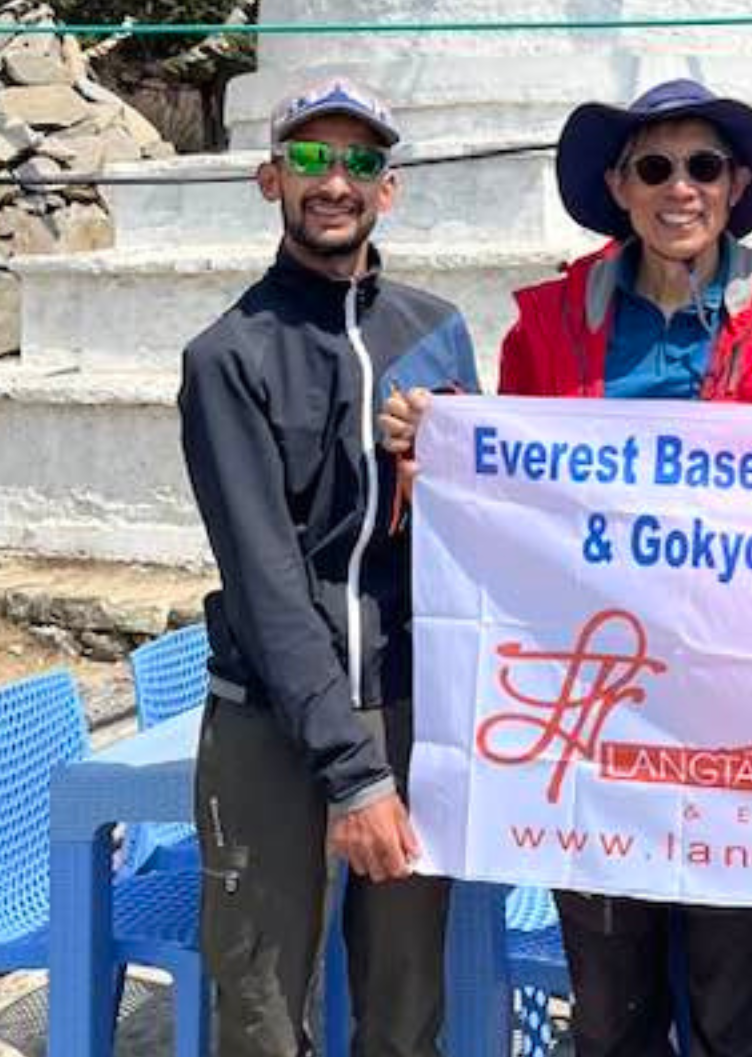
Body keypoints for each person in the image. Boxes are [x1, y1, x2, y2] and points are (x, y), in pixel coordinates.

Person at [381, 78, 752, 1057]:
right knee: (610, 1005)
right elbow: (512, 500)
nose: (679, 188)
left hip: (742, 715)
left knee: (739, 1003)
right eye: (655, 167)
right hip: (596, 718)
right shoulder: (549, 325)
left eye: (702, 166)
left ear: (734, 187)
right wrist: (442, 451)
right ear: (621, 186)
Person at [177, 77, 478, 1057]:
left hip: (404, 707)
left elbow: (479, 536)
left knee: (402, 1009)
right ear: (271, 180)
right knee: (262, 1015)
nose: (334, 180)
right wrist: (352, 777)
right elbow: (266, 585)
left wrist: (437, 469)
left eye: (359, 161)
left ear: (388, 188)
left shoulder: (437, 332)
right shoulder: (229, 356)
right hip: (270, 716)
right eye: (310, 158)